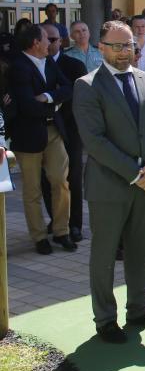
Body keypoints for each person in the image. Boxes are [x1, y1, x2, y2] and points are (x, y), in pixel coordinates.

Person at [73, 20, 145, 343]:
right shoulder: (87, 85)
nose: (122, 52)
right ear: (101, 47)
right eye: (115, 46)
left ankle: (138, 309)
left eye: (127, 45)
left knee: (140, 252)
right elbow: (95, 142)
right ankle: (105, 319)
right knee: (104, 255)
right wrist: (136, 172)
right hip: (110, 187)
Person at [9, 24, 75, 254]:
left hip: (53, 132)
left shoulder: (49, 62)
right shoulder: (18, 67)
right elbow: (27, 106)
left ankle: (61, 232)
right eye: (47, 39)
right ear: (36, 43)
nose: (51, 42)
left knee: (60, 181)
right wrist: (55, 106)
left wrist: (48, 97)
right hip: (27, 136)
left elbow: (69, 88)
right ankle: (39, 237)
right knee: (32, 189)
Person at [42, 23, 87, 242]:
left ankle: (75, 224)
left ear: (61, 41)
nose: (49, 44)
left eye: (53, 40)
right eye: (45, 39)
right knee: (46, 178)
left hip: (71, 128)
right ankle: (56, 219)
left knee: (73, 175)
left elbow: (79, 97)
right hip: (43, 130)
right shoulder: (34, 65)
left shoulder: (75, 66)